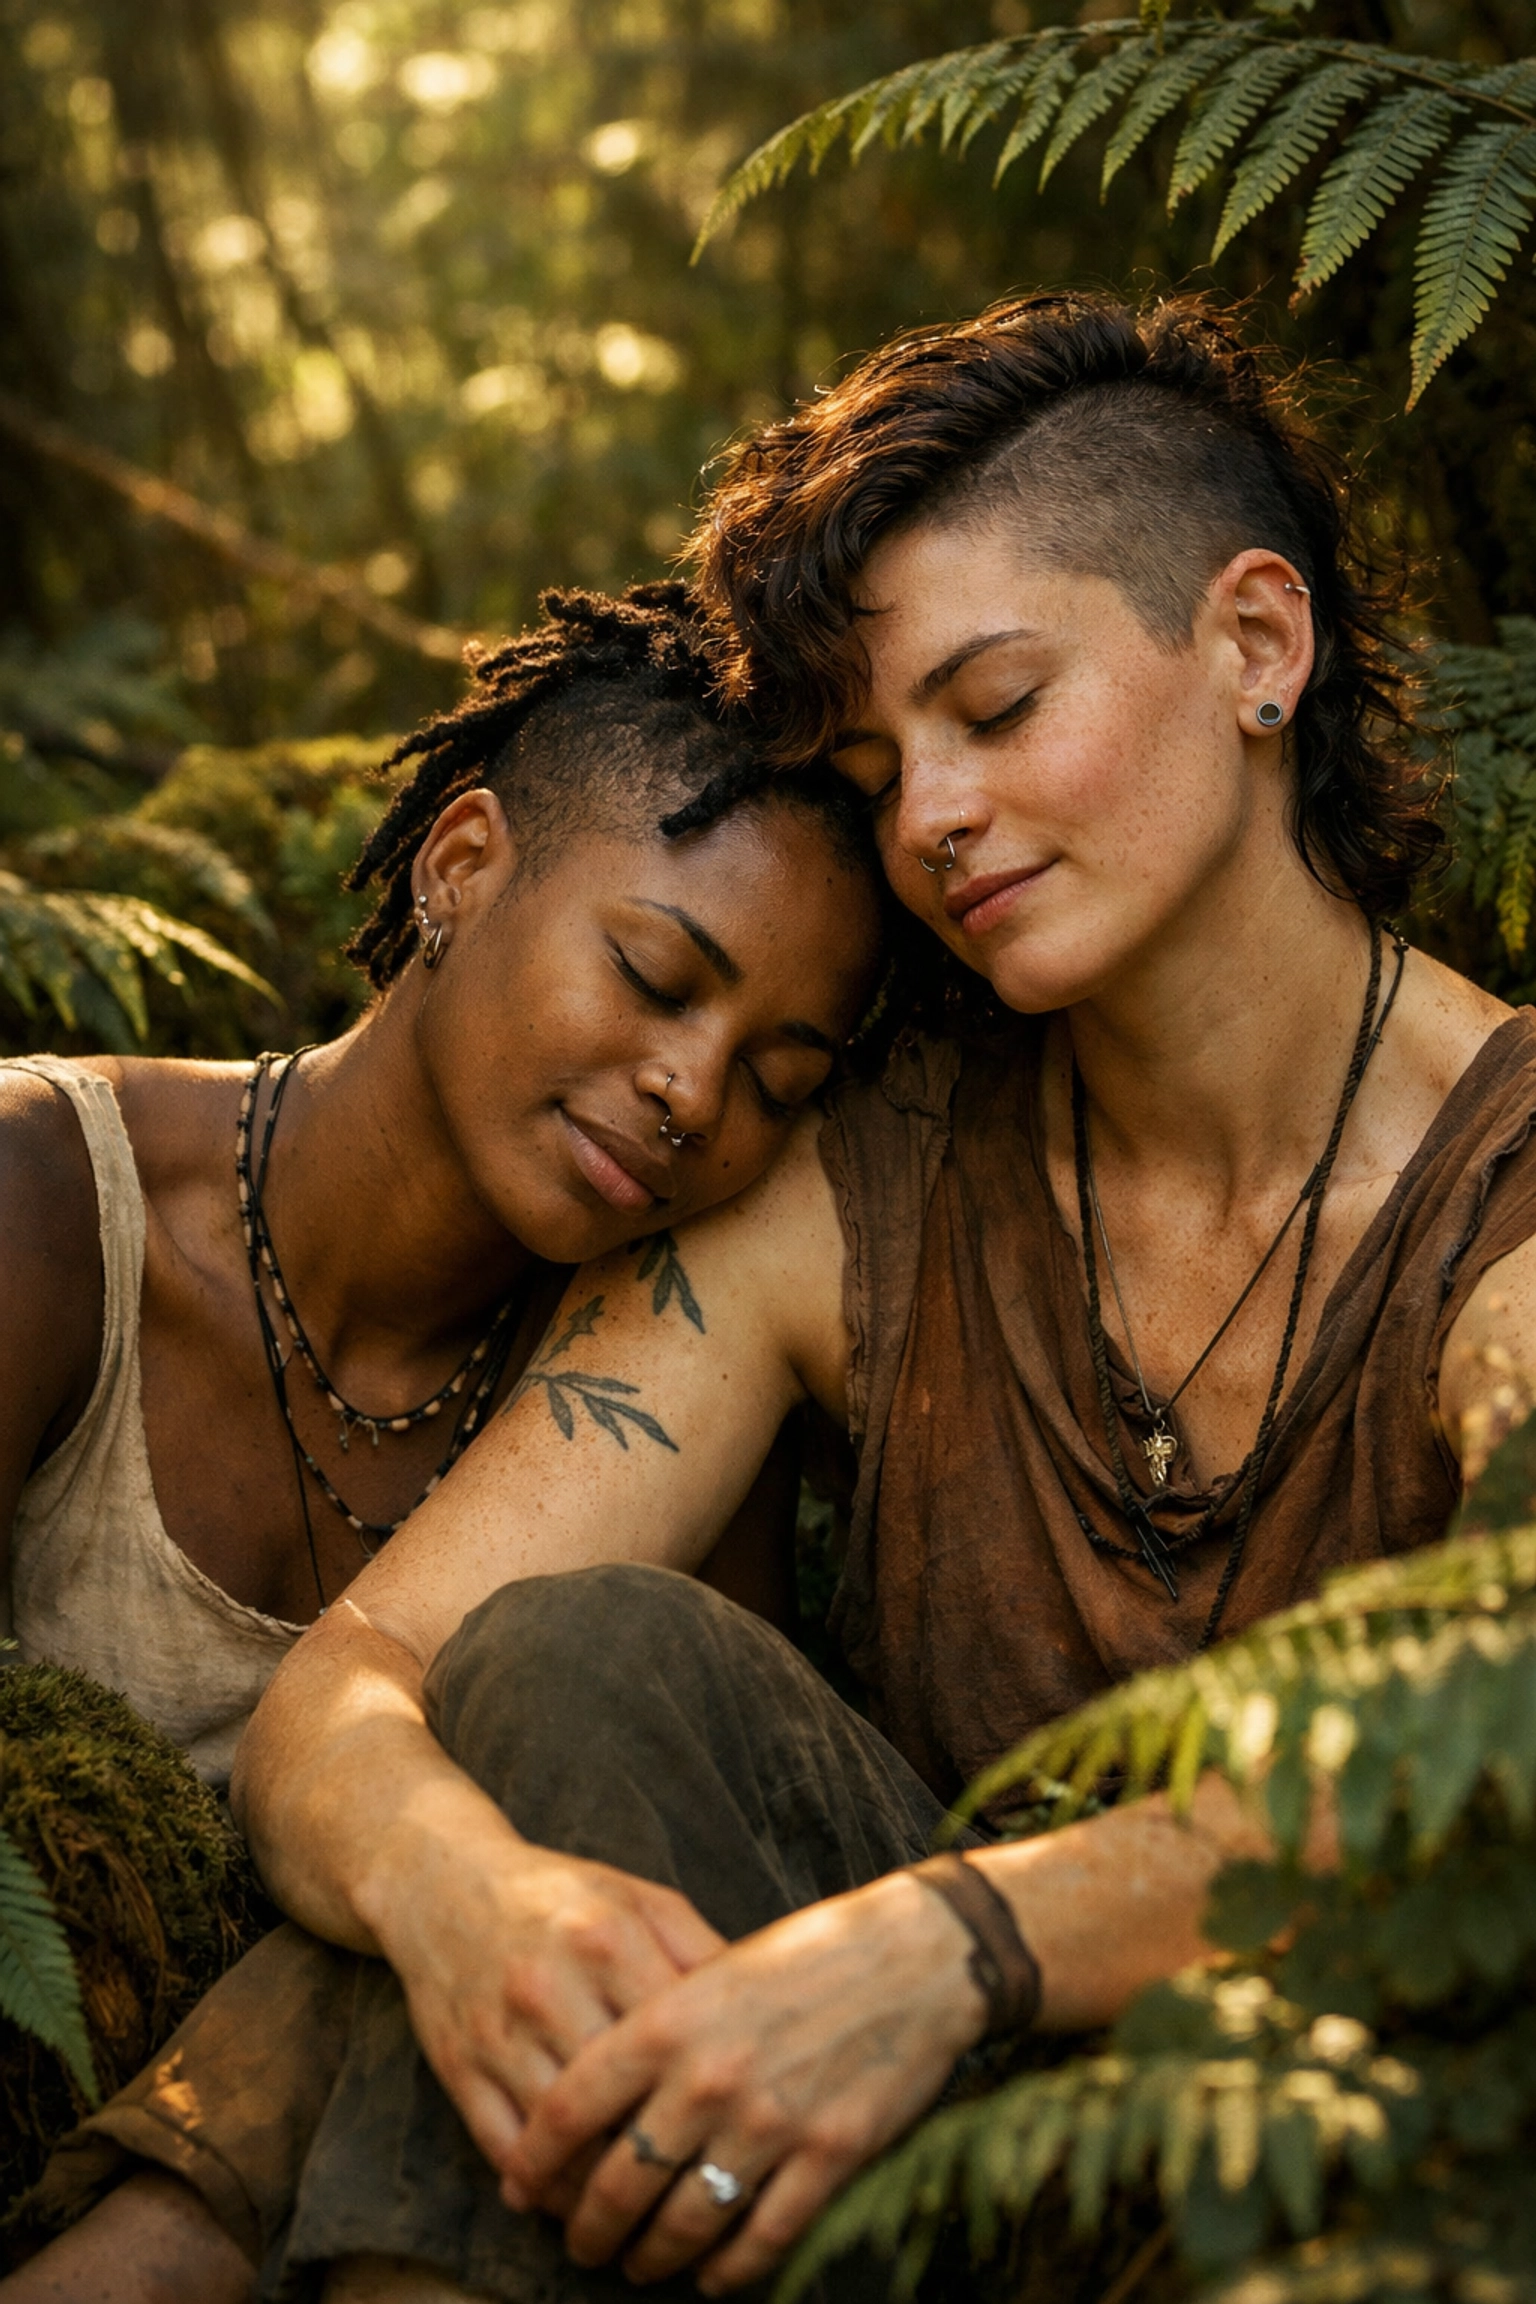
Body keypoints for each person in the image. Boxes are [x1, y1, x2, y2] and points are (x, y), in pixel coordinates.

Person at [19, 294, 1536, 2304]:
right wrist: (465, 1899)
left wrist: (952, 1948)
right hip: (857, 2167)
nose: (928, 820)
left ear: (1259, 646)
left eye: (995, 713)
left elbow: (1501, 1762)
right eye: (878, 762)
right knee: (590, 1660)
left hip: (1368, 2195)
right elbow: (369, 1676)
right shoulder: (855, 1181)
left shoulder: (1508, 1185)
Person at [0, 585, 883, 2266]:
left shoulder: (661, 1391)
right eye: (650, 973)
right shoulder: (42, 1205)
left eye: (778, 1079)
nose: (695, 1093)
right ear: (460, 865)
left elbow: (682, 1877)